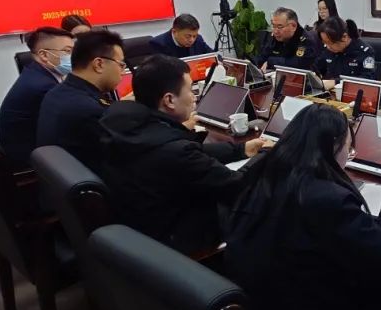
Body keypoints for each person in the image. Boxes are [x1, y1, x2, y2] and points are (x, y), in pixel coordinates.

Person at [226, 104, 381, 310]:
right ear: (332, 147)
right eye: (349, 149)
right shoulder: (327, 199)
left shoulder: (261, 175)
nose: (349, 156)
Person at [99, 55, 272, 254]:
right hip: (178, 237)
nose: (194, 97)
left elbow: (187, 151)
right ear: (169, 100)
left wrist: (242, 149)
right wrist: (265, 153)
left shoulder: (123, 122)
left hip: (141, 225)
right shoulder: (175, 150)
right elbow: (237, 186)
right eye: (190, 90)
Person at [36, 30, 126, 170]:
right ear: (99, 64)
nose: (123, 72)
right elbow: (123, 154)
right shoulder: (89, 110)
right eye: (121, 65)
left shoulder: (57, 93)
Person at [0, 27, 74, 165]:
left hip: (24, 146)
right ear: (44, 55)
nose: (74, 57)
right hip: (29, 158)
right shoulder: (43, 86)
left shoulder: (35, 73)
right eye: (67, 51)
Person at [313, 17, 377, 88]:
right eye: (325, 43)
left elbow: (368, 79)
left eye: (331, 43)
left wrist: (337, 82)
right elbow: (316, 68)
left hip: (351, 92)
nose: (328, 46)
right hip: (328, 92)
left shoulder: (364, 51)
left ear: (344, 37)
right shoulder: (328, 50)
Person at [254, 7, 317, 71]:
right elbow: (263, 56)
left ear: (293, 26)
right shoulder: (277, 36)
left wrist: (270, 61)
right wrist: (253, 64)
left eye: (280, 27)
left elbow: (298, 64)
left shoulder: (306, 40)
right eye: (273, 26)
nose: (275, 31)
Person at [149, 13, 214, 58]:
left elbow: (213, 56)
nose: (192, 40)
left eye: (194, 36)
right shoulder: (158, 44)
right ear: (174, 32)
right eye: (188, 36)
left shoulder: (198, 39)